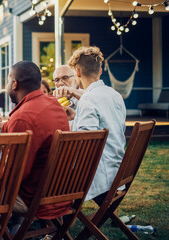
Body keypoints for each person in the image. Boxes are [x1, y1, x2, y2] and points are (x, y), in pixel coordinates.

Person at [2, 60, 70, 221]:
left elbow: (15, 175)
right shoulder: (54, 104)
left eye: (7, 81)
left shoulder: (23, 118)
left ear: (14, 84)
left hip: (35, 200)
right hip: (61, 193)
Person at [67, 46, 126, 204]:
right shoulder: (115, 96)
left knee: (51, 174)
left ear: (77, 72)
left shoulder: (87, 99)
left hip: (99, 178)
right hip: (118, 171)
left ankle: (58, 224)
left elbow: (86, 143)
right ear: (100, 70)